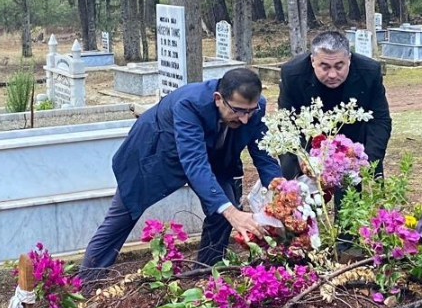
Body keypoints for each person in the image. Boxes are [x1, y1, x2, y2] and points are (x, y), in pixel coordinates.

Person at [80, 67, 283, 279]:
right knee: (123, 216)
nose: (244, 120)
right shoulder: (189, 104)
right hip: (159, 154)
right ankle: (87, 283)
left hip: (213, 156)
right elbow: (194, 162)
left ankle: (205, 274)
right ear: (218, 99)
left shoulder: (254, 108)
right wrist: (232, 212)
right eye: (238, 111)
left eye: (250, 111)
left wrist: (282, 191)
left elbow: (264, 153)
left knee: (222, 210)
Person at [277, 31, 392, 180]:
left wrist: (368, 162)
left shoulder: (369, 72)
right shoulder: (292, 74)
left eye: (339, 66)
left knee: (358, 199)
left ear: (349, 59)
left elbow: (380, 120)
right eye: (324, 67)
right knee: (301, 195)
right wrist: (304, 162)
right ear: (312, 61)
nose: (332, 75)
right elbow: (286, 123)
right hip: (309, 141)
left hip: (353, 143)